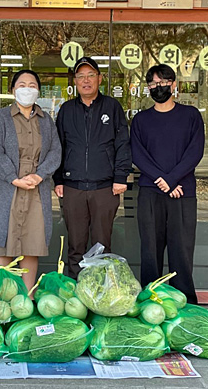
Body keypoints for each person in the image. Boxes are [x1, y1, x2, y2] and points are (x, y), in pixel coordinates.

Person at [131, 64, 205, 304]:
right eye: (152, 84)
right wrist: (163, 182)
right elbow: (138, 154)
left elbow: (195, 152)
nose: (158, 87)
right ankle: (150, 304)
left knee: (181, 252)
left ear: (174, 84)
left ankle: (185, 304)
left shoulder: (191, 116)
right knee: (150, 252)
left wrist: (171, 180)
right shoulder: (141, 120)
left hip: (183, 194)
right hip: (151, 194)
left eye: (163, 83)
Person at [53, 57, 131, 279]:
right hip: (73, 187)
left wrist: (120, 176)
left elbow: (122, 144)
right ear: (75, 82)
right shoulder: (67, 110)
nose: (86, 81)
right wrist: (58, 179)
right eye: (80, 77)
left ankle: (101, 292)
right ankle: (75, 293)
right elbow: (59, 145)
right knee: (75, 245)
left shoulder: (112, 107)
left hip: (105, 187)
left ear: (99, 78)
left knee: (102, 246)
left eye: (90, 75)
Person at [0, 70, 61, 292]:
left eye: (32, 85)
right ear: (12, 90)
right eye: (22, 85)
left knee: (32, 244)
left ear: (38, 91)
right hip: (8, 188)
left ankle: (27, 296)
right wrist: (13, 178)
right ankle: (5, 296)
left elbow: (56, 151)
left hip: (36, 189)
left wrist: (40, 175)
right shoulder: (0, 118)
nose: (27, 89)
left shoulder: (46, 120)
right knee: (4, 242)